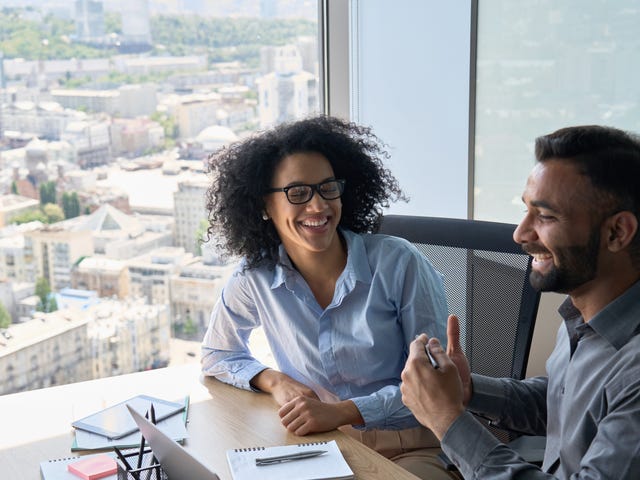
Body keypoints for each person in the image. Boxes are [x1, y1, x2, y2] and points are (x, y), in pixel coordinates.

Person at [201, 115, 458, 479]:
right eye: (298, 193)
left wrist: (344, 411)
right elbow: (218, 354)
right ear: (263, 206)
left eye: (327, 188)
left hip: (411, 445)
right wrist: (275, 381)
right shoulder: (254, 277)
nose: (318, 206)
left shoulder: (399, 264)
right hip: (320, 446)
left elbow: (436, 388)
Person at [400, 124, 640, 479]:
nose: (520, 234)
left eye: (545, 216)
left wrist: (447, 420)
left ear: (617, 232)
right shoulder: (584, 313)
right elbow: (568, 402)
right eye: (526, 211)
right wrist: (471, 390)